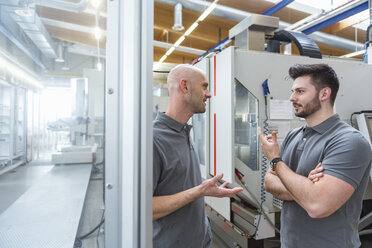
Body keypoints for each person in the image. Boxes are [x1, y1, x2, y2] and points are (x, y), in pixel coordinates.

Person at [259, 63, 372, 248]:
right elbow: (268, 183)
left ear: (324, 94)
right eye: (293, 91)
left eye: (300, 91)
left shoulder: (349, 141)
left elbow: (317, 206)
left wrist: (276, 161)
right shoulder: (292, 136)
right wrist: (306, 188)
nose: (291, 98)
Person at [152, 64, 243, 248]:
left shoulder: (184, 132)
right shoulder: (154, 139)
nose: (208, 94)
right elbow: (143, 209)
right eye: (204, 86)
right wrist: (200, 191)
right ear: (185, 86)